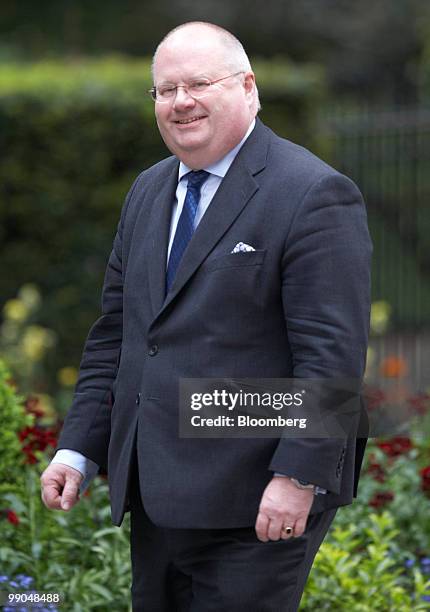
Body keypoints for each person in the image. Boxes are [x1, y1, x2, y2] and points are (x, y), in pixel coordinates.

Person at [40, 21, 372, 611]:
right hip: (157, 497)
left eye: (199, 83)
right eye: (165, 90)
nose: (180, 102)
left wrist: (297, 478)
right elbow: (118, 335)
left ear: (248, 86)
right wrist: (78, 448)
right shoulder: (148, 190)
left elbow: (331, 356)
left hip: (256, 502)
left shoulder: (314, 193)